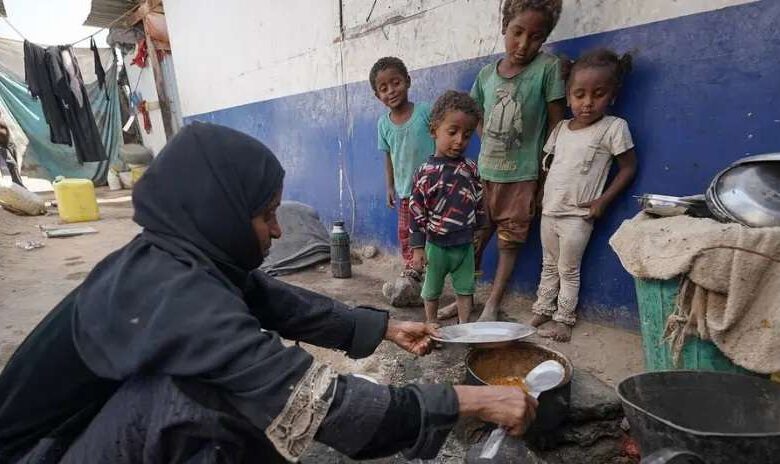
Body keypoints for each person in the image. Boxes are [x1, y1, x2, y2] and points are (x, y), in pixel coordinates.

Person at [0, 122, 538, 463]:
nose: (278, 231)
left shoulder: (173, 256)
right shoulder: (172, 295)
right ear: (218, 209)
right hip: (44, 454)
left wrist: (384, 327)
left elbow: (268, 297)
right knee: (200, 400)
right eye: (266, 215)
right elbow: (319, 404)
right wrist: (475, 399)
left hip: (82, 434)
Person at [444, 0, 566, 322]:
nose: (524, 44)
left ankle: (493, 303)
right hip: (484, 176)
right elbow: (473, 114)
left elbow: (556, 126)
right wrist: (487, 138)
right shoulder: (487, 75)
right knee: (473, 240)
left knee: (509, 244)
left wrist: (545, 178)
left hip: (522, 178)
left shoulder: (548, 69)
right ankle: (464, 298)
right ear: (504, 28)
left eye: (536, 37)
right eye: (517, 32)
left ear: (544, 39)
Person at [530, 49, 637, 342]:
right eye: (579, 95)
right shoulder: (561, 128)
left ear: (612, 96)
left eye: (598, 94)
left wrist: (603, 200)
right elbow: (548, 165)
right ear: (568, 96)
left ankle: (564, 319)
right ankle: (543, 307)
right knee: (548, 263)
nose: (587, 102)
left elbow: (628, 167)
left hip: (578, 215)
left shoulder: (613, 127)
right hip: (550, 209)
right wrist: (539, 195)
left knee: (568, 268)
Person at [409, 91, 484, 325]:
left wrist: (479, 229)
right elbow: (416, 211)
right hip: (436, 246)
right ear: (434, 130)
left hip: (464, 245)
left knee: (465, 289)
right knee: (432, 290)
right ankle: (432, 324)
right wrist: (418, 248)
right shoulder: (425, 173)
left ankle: (465, 327)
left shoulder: (470, 168)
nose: (460, 140)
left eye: (467, 135)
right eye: (452, 132)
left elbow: (479, 200)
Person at [371, 57, 435, 285]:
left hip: (434, 189)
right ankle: (413, 270)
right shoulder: (383, 124)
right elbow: (388, 155)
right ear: (377, 96)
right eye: (383, 88)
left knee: (434, 231)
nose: (391, 91)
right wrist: (390, 186)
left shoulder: (425, 111)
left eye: (396, 83)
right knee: (407, 232)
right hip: (406, 191)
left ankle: (434, 271)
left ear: (408, 81)